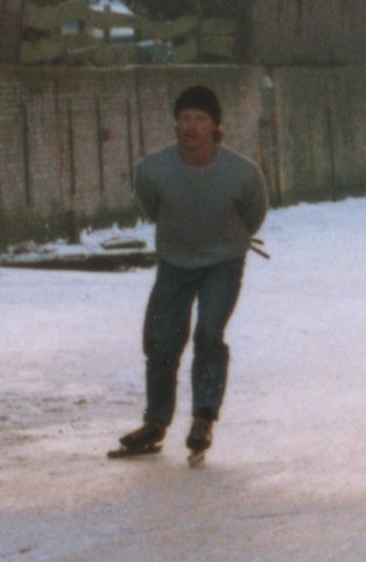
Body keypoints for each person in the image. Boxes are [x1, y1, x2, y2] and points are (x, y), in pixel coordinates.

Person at [111, 87, 268, 463]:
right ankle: (156, 422)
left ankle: (203, 417)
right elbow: (153, 207)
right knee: (161, 342)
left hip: (223, 263)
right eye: (184, 118)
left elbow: (254, 214)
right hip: (175, 263)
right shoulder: (154, 169)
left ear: (216, 126)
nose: (190, 126)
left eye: (199, 119)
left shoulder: (242, 173)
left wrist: (228, 243)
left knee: (209, 332)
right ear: (175, 124)